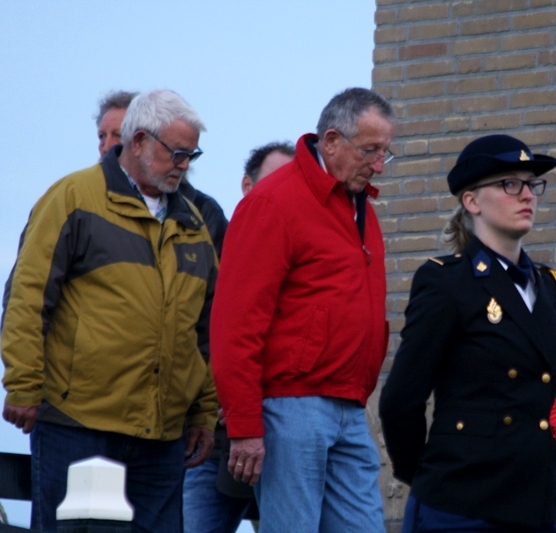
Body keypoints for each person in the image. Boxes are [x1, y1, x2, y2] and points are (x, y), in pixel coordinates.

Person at [1, 89, 218, 533]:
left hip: (163, 437)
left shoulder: (195, 223)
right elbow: (28, 296)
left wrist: (203, 413)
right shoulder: (73, 198)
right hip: (78, 424)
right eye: (177, 152)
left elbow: (207, 330)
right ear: (138, 141)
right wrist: (22, 383)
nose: (184, 164)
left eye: (191, 154)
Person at [210, 87, 395, 533]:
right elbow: (236, 323)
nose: (378, 165)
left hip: (350, 405)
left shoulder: (360, 207)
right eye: (369, 151)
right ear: (331, 141)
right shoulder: (273, 202)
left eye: (385, 152)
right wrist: (245, 424)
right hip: (291, 408)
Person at [379, 134, 556, 533]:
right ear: (471, 201)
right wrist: (428, 473)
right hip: (461, 502)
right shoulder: (446, 282)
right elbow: (401, 401)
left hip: (534, 503)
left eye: (531, 184)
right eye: (509, 184)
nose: (527, 195)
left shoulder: (553, 289)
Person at [183, 140, 294, 533]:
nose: (282, 192)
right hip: (213, 438)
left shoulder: (301, 255)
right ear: (247, 185)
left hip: (281, 437)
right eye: (273, 181)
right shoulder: (217, 241)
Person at [94, 89, 228, 258]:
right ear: (140, 142)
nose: (106, 146)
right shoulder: (79, 198)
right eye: (102, 136)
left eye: (118, 135)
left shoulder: (201, 213)